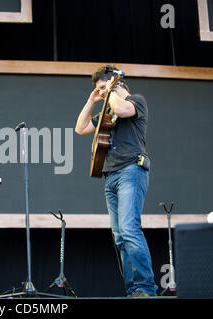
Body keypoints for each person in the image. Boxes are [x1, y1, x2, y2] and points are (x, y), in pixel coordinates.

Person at [75, 66, 157, 297]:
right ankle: (134, 290)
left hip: (131, 171)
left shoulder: (135, 101)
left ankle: (146, 288)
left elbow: (121, 109)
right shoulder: (105, 114)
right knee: (120, 237)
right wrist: (92, 100)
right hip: (110, 177)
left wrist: (111, 89)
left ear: (115, 83)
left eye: (102, 87)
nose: (100, 92)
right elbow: (80, 128)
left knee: (130, 230)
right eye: (98, 90)